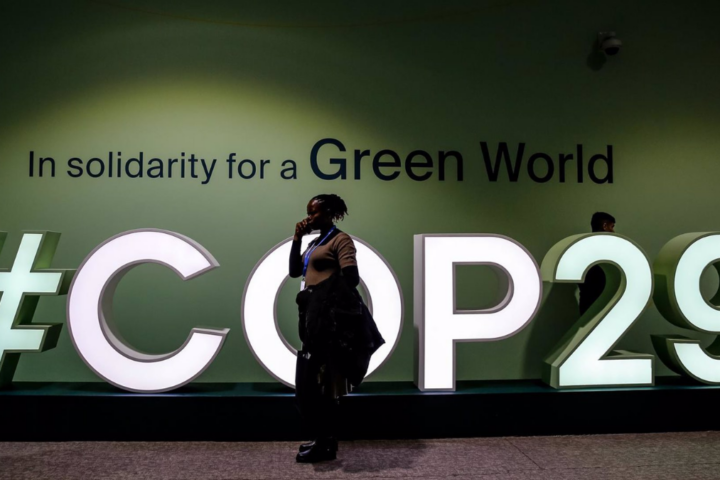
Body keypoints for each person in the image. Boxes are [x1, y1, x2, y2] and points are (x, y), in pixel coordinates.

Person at [289, 193, 383, 463]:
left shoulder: (340, 240)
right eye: (308, 212)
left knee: (325, 382)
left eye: (315, 212)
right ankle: (321, 438)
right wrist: (297, 239)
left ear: (330, 212)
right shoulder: (315, 241)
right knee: (313, 381)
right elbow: (295, 271)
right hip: (311, 315)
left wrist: (320, 293)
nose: (309, 217)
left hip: (328, 321)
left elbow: (351, 278)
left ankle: (326, 443)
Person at [578, 212, 616, 315]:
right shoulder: (609, 248)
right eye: (611, 226)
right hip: (602, 295)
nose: (613, 231)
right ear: (604, 226)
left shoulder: (583, 246)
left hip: (587, 298)